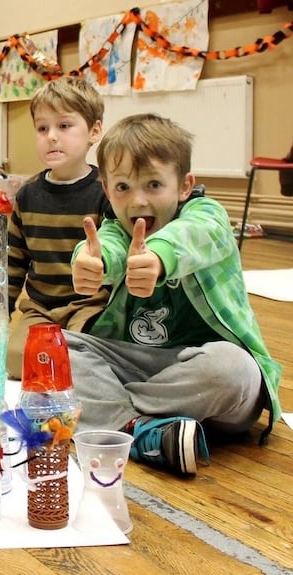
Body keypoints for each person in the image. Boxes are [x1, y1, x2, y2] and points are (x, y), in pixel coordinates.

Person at [68, 113, 282, 476]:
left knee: (235, 369)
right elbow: (106, 248)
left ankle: (115, 415)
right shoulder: (116, 229)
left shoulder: (207, 214)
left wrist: (158, 257)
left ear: (184, 186)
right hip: (144, 364)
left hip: (209, 377)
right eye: (123, 187)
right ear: (106, 189)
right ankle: (144, 430)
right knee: (54, 347)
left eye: (153, 185)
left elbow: (196, 234)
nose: (138, 201)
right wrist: (91, 263)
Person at [5, 76, 111, 379]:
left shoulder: (106, 191)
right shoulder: (27, 194)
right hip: (41, 308)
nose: (51, 136)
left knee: (81, 356)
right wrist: (2, 312)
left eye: (64, 126)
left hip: (90, 305)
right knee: (15, 360)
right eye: (42, 128)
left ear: (94, 131)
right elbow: (14, 261)